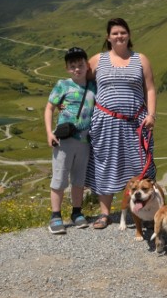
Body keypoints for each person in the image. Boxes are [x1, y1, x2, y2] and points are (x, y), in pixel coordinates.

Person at [85, 17, 157, 229]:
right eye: (115, 33)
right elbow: (81, 82)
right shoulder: (97, 60)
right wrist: (66, 102)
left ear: (129, 35)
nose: (119, 36)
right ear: (108, 37)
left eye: (122, 32)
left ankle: (144, 212)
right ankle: (104, 214)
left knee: (139, 166)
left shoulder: (141, 59)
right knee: (105, 165)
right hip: (105, 123)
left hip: (136, 123)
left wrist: (151, 115)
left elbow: (150, 89)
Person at [44, 47, 97, 234]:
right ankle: (55, 216)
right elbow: (49, 108)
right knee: (59, 178)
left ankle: (76, 212)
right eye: (72, 66)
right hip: (64, 140)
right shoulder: (62, 85)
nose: (77, 69)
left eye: (80, 65)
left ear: (86, 65)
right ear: (67, 68)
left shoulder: (92, 87)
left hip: (84, 141)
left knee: (78, 179)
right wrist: (49, 133)